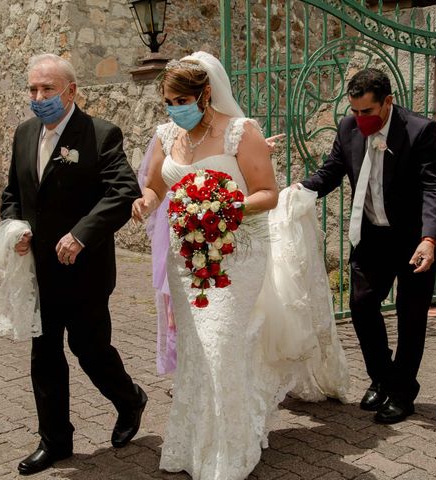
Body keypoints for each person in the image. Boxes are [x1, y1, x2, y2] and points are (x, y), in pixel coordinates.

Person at [133, 51, 349, 480]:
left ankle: (230, 449)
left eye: (181, 99)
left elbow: (267, 192)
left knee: (221, 345)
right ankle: (193, 443)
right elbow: (157, 186)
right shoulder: (166, 134)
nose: (174, 107)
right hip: (186, 258)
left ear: (205, 93)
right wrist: (146, 202)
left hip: (239, 252)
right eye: (168, 100)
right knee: (195, 350)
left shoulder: (240, 133)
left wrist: (225, 207)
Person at [0, 54, 147, 476]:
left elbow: (122, 191)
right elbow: (14, 192)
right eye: (32, 89)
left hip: (84, 270)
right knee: (43, 355)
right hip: (39, 272)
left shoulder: (100, 134)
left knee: (90, 350)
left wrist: (82, 233)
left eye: (47, 89)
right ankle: (55, 441)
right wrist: (16, 228)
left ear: (71, 91)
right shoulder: (25, 133)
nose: (39, 97)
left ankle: (129, 399)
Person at [301, 68, 436, 424]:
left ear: (387, 102)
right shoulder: (348, 127)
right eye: (354, 111)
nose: (359, 119)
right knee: (361, 305)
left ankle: (402, 391)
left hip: (417, 240)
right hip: (372, 237)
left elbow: (434, 188)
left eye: (367, 112)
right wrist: (298, 193)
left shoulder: (420, 131)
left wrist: (429, 239)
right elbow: (331, 171)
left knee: (410, 316)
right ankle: (383, 377)